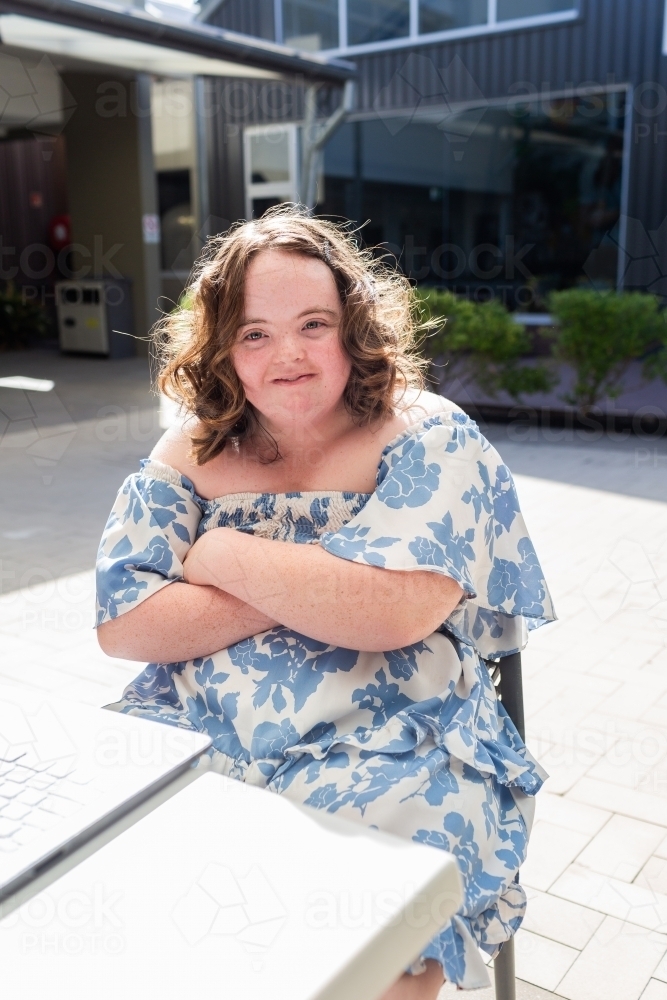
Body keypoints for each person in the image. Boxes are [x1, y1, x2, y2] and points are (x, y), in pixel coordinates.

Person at [95, 205, 554, 997]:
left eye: (313, 323)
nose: (288, 355)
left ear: (354, 326)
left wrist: (224, 556)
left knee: (375, 937)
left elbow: (396, 612)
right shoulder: (190, 449)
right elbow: (126, 624)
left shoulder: (425, 433)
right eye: (255, 334)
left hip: (398, 737)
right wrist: (329, 581)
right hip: (200, 728)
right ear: (224, 350)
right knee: (124, 888)